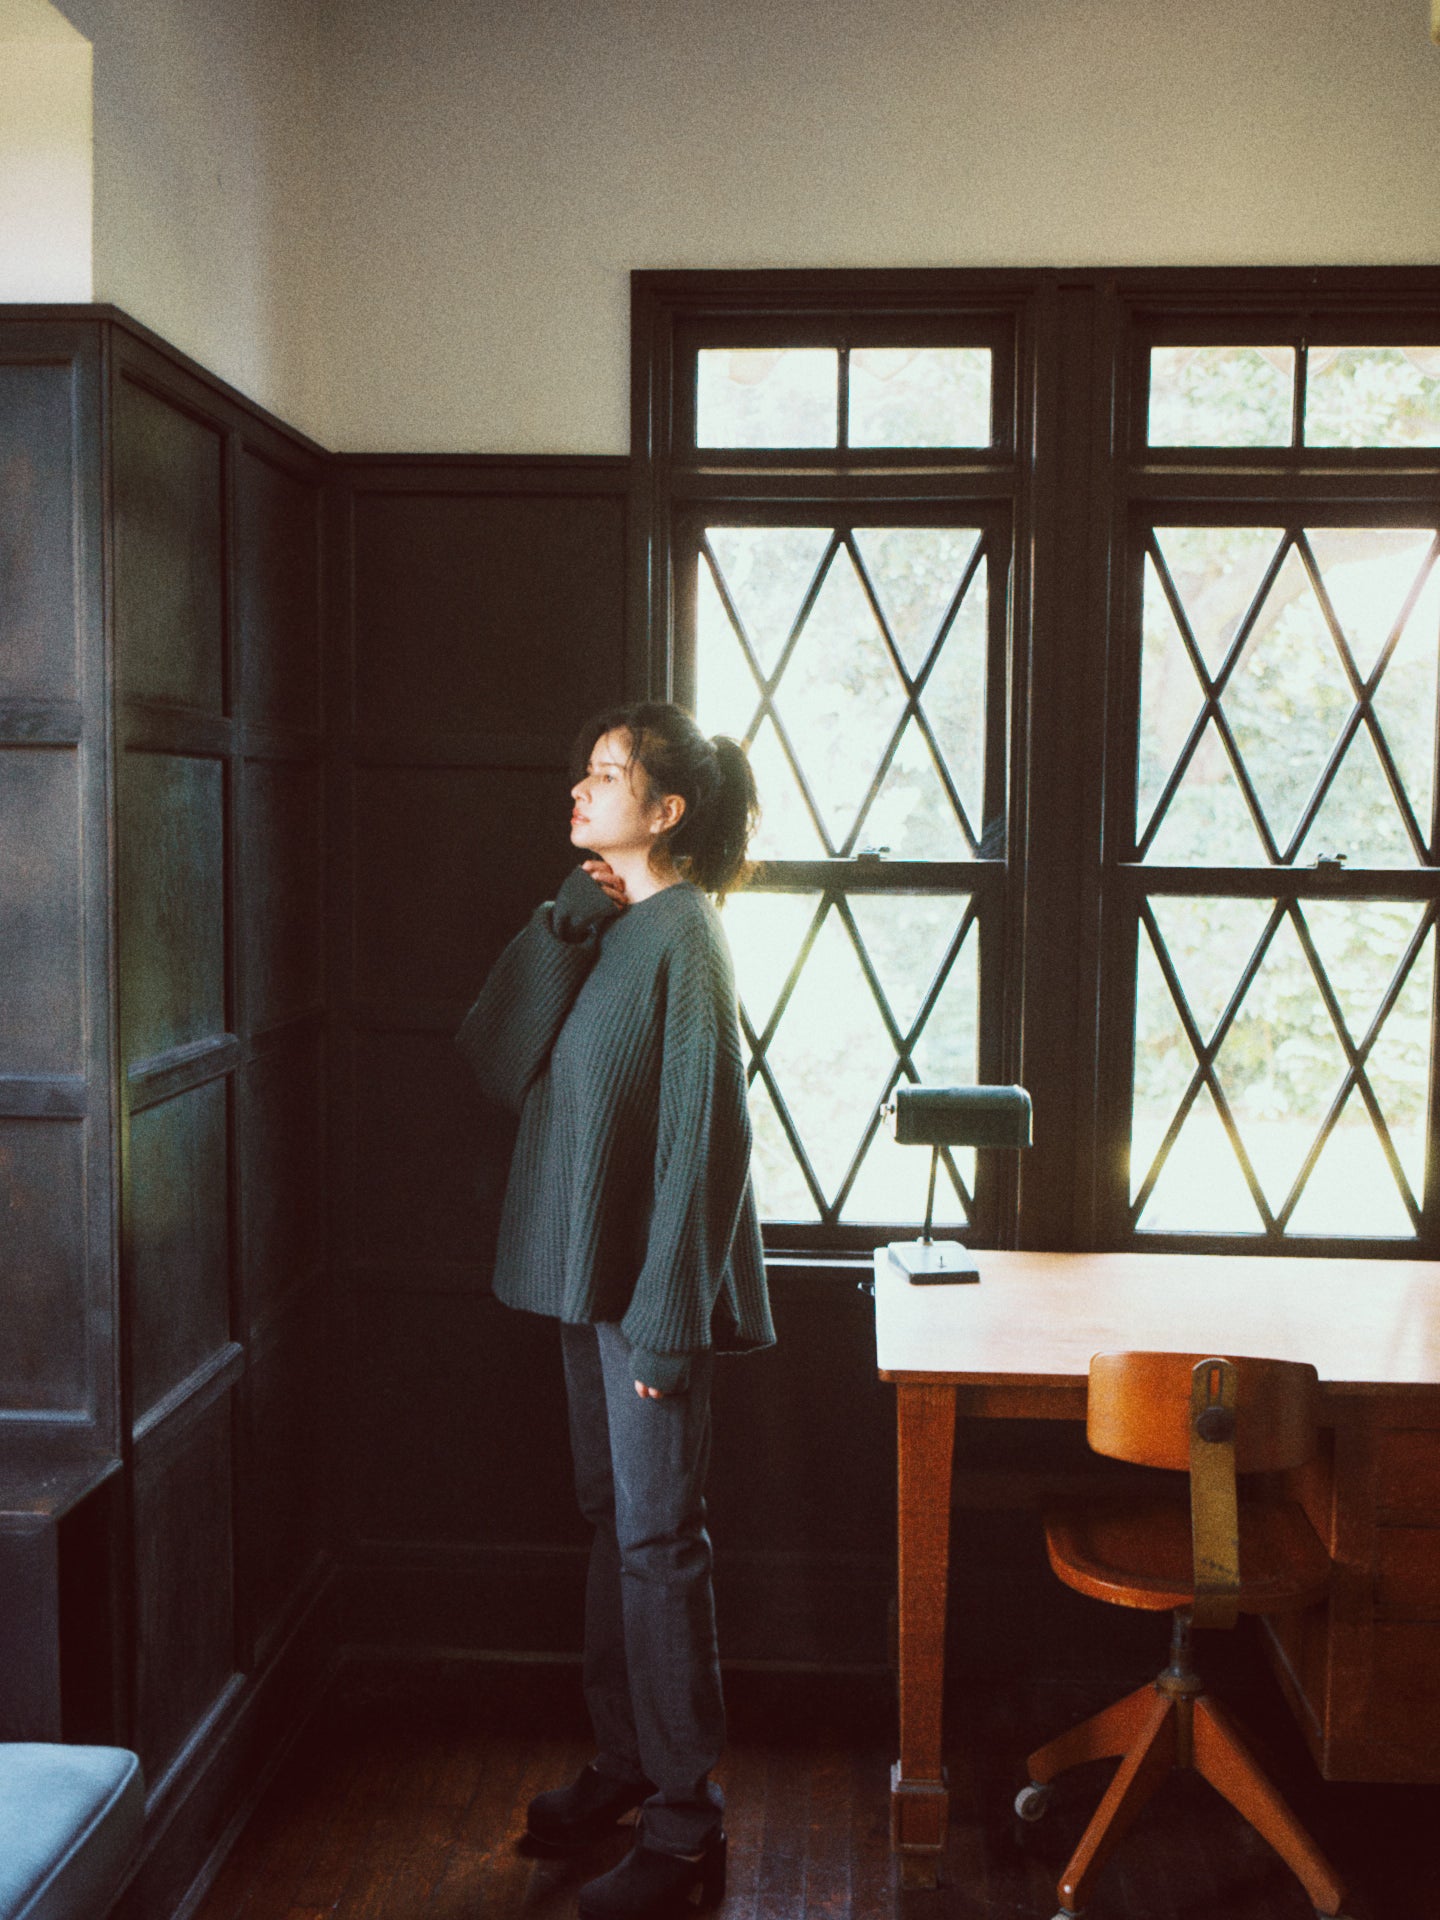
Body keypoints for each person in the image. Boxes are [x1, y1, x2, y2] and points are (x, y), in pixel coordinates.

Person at [456, 701, 774, 1920]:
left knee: (658, 1541)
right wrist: (563, 922)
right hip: (587, 1285)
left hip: (647, 1303)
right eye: (584, 771)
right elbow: (495, 1060)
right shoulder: (613, 927)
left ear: (667, 809)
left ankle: (686, 1821)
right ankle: (628, 1763)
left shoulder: (688, 935)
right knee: (616, 1523)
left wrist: (671, 1326)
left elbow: (708, 1143)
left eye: (607, 774)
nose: (580, 792)